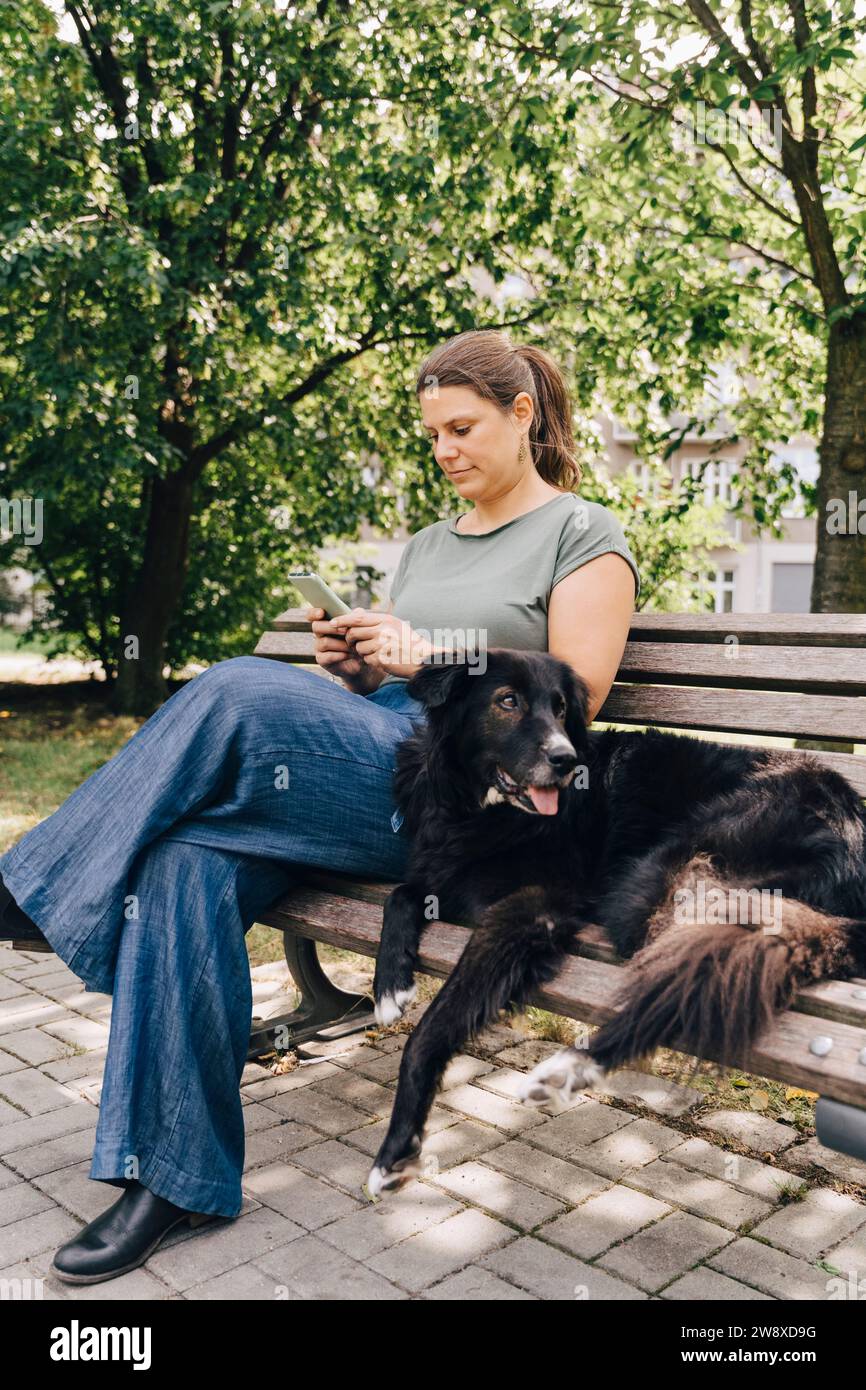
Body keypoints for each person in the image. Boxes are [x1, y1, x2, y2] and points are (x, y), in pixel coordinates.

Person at [0, 328, 639, 1285]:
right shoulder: (429, 544)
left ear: (522, 414)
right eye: (431, 436)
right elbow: (392, 695)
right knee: (184, 863)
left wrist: (428, 657)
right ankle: (175, 1180)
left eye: (462, 428)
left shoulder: (583, 534)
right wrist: (354, 667)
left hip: (468, 804)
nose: (445, 450)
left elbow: (575, 695)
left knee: (232, 687)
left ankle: (33, 887)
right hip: (369, 765)